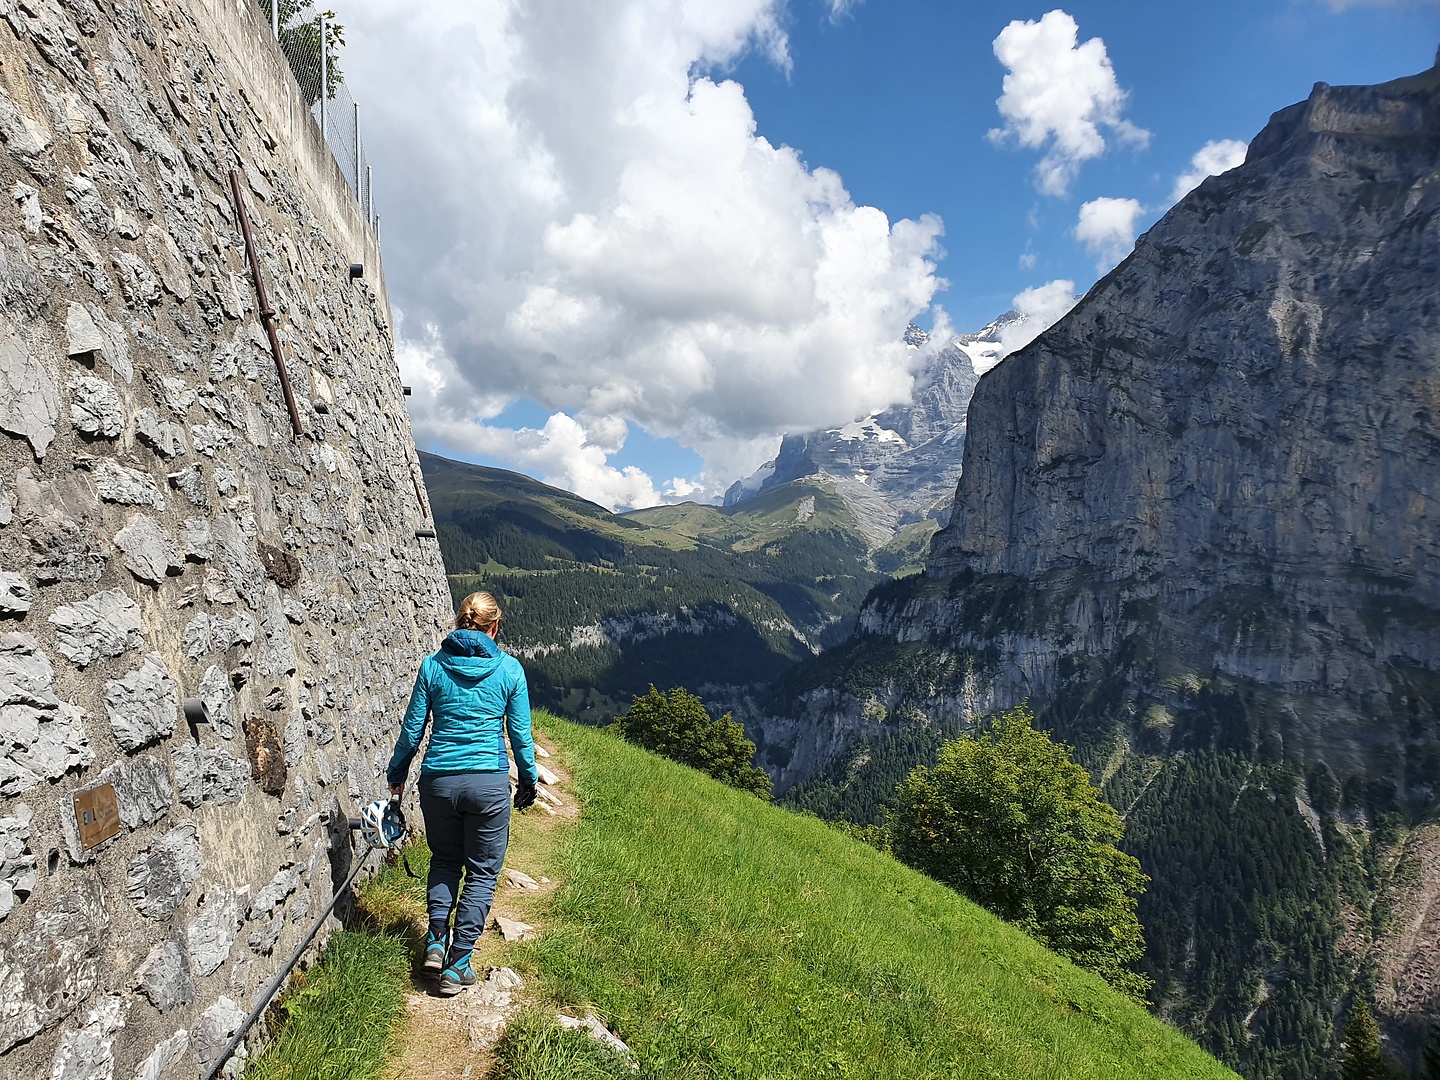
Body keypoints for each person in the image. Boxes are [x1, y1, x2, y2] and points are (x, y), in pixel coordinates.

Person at [387, 591, 540, 995]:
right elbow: (521, 735)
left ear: (460, 622)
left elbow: (411, 731)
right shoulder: (509, 669)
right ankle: (459, 963)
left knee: (445, 858)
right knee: (483, 871)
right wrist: (529, 779)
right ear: (495, 626)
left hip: (438, 781)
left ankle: (436, 939)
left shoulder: (432, 666)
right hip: (488, 783)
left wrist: (396, 773)